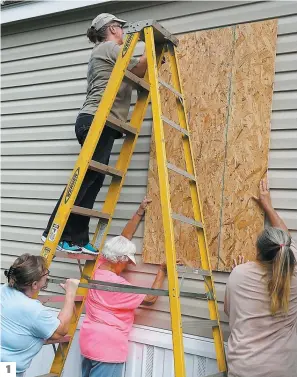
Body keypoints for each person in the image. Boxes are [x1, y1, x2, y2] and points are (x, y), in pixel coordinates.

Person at [42, 13, 147, 255]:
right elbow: (139, 66)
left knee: (95, 179)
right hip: (97, 120)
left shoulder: (107, 51)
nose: (123, 32)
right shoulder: (109, 47)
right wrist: (149, 52)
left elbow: (136, 72)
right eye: (120, 28)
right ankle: (56, 233)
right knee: (87, 178)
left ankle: (77, 237)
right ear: (111, 29)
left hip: (102, 122)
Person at [79, 197, 168, 377]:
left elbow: (124, 238)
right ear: (119, 259)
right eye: (127, 260)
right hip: (108, 349)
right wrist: (162, 271)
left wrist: (139, 211)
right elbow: (150, 299)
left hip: (89, 342)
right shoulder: (117, 286)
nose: (127, 265)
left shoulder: (97, 266)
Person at [224, 178, 297, 377]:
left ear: (258, 251)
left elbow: (229, 312)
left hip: (244, 368)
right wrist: (269, 207)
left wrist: (238, 272)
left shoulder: (239, 274)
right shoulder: (294, 273)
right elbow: (286, 243)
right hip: (282, 369)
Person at [1, 254, 80, 377]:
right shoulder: (33, 310)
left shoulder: (4, 289)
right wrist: (71, 292)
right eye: (45, 273)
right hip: (6, 369)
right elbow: (61, 330)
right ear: (34, 285)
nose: (47, 275)